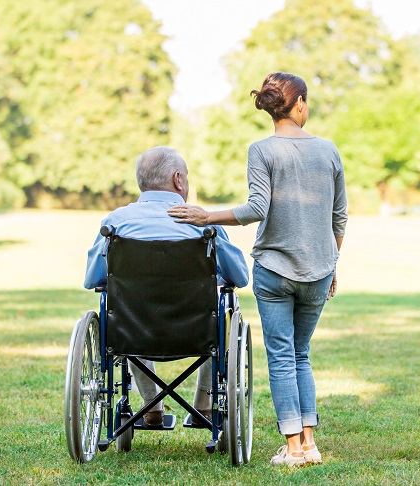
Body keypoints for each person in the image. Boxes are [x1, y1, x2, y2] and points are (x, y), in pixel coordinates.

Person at [168, 72, 347, 467]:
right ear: (298, 103)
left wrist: (206, 215)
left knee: (282, 356)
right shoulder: (329, 150)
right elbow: (339, 218)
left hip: (274, 269)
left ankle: (294, 448)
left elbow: (256, 209)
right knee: (301, 354)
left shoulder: (261, 150)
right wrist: (331, 264)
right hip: (319, 270)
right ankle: (310, 443)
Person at [84, 146, 249, 427]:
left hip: (133, 331)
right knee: (222, 310)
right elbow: (241, 278)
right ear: (178, 179)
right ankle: (204, 407)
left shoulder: (116, 223)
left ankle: (151, 408)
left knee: (127, 307)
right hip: (197, 331)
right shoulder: (202, 224)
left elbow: (93, 280)